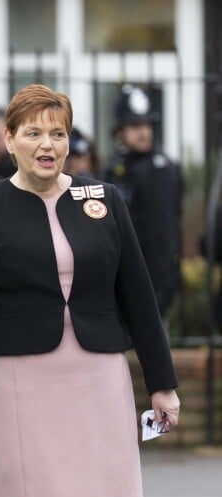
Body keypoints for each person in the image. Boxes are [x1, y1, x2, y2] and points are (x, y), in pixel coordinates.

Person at [0, 84, 180, 497]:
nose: (47, 144)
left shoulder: (103, 198)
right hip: (18, 380)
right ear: (8, 140)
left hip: (96, 376)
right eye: (33, 133)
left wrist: (163, 384)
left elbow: (137, 295)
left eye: (58, 133)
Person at [104, 84, 183, 322]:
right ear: (119, 131)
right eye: (136, 126)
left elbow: (163, 236)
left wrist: (158, 291)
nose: (144, 133)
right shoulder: (117, 168)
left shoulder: (160, 169)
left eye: (147, 125)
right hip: (122, 283)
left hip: (150, 284)